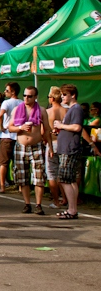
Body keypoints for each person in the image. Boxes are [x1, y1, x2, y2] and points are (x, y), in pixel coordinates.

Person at [53, 84, 100, 219]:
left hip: (69, 149)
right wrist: (61, 129)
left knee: (65, 179)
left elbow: (77, 127)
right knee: (70, 180)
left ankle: (72, 209)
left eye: (65, 94)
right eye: (62, 94)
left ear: (72, 95)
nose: (62, 97)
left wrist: (61, 125)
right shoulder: (72, 109)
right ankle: (72, 208)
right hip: (67, 147)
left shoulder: (76, 109)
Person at [8, 86, 52, 215]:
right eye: (25, 95)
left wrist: (50, 146)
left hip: (36, 145)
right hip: (21, 145)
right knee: (22, 177)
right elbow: (10, 127)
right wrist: (20, 127)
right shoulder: (17, 109)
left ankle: (38, 204)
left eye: (30, 96)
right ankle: (27, 204)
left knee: (39, 177)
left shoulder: (42, 110)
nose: (26, 98)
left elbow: (47, 129)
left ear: (35, 97)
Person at [0, 82, 22, 193]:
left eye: (7, 90)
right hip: (18, 134)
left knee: (3, 162)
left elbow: (0, 115)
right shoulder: (22, 103)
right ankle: (21, 186)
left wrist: (1, 126)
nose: (5, 92)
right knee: (18, 162)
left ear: (13, 92)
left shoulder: (6, 103)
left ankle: (2, 186)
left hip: (7, 134)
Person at [45, 86, 66, 208]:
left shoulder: (48, 112)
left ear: (52, 98)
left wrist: (49, 147)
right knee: (62, 173)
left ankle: (56, 201)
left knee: (52, 173)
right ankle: (65, 198)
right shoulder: (66, 111)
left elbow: (45, 131)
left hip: (52, 143)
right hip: (63, 144)